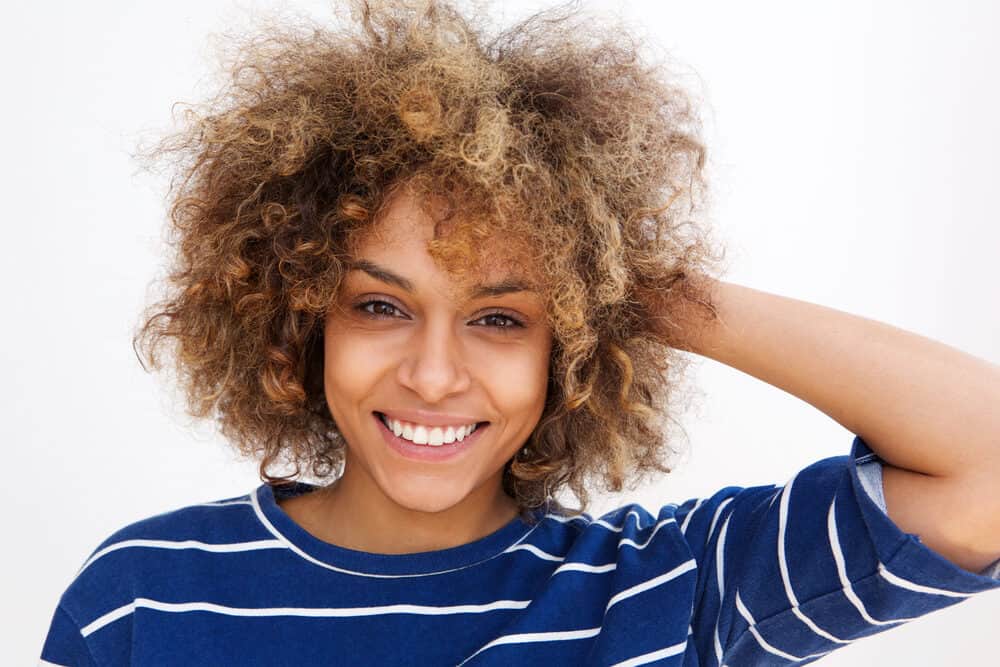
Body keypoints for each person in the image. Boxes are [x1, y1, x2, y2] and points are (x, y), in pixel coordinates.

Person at [40, 1, 1000, 664]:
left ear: (575, 350)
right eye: (380, 305)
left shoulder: (662, 593)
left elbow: (984, 468)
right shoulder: (146, 595)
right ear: (299, 315)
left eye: (501, 317)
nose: (431, 373)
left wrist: (636, 281)